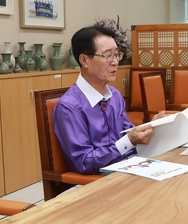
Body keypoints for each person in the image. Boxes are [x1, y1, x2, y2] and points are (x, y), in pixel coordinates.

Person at [53, 25, 157, 174]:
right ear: (84, 60)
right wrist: (128, 141)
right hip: (104, 177)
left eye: (116, 55)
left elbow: (128, 134)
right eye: (107, 55)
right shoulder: (69, 107)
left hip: (131, 164)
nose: (115, 62)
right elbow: (84, 162)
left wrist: (155, 126)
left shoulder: (115, 95)